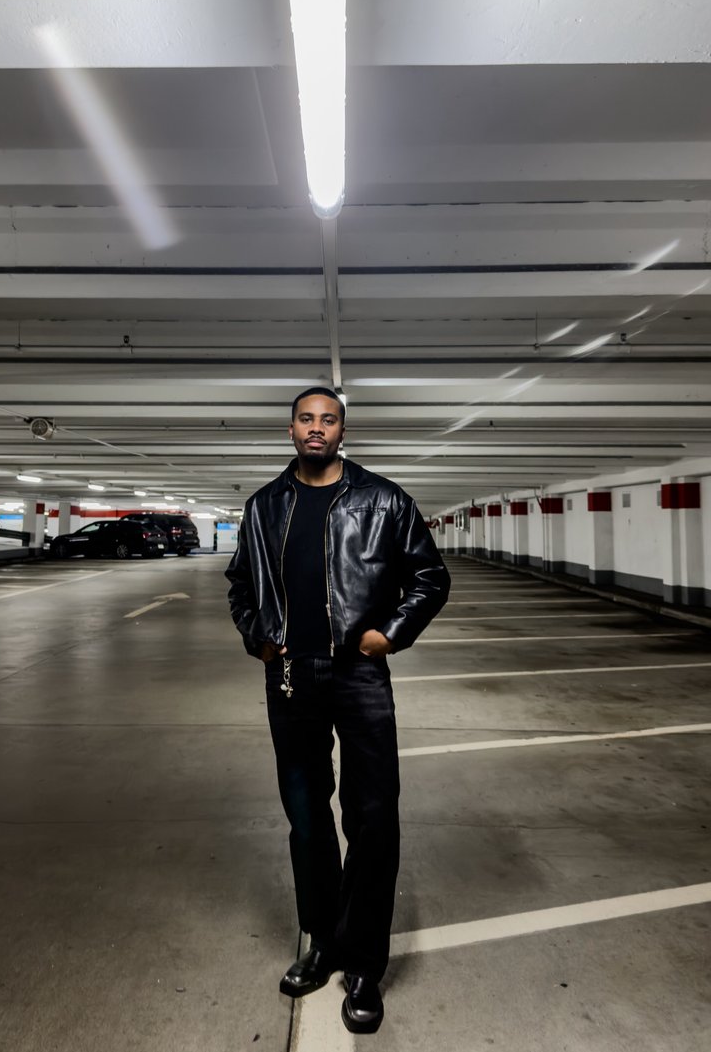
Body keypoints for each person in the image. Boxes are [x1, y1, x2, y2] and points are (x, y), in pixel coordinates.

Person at [225, 387, 450, 1035]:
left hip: (359, 673)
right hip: (290, 671)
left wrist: (390, 633)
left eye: (328, 419)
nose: (316, 428)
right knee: (306, 818)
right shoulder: (265, 506)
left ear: (343, 429)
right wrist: (256, 634)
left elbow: (430, 576)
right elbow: (240, 582)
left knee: (373, 819)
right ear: (291, 427)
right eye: (306, 418)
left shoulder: (382, 499)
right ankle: (323, 941)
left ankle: (364, 965)